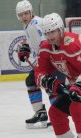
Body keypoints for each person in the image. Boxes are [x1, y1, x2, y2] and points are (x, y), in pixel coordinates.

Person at [16, 0, 57, 129]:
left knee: (50, 86)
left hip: (48, 60)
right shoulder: (30, 24)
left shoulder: (36, 24)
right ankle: (41, 113)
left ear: (31, 12)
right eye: (21, 14)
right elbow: (36, 41)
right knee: (32, 82)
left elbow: (47, 40)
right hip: (43, 59)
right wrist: (26, 47)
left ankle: (57, 115)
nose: (24, 17)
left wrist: (45, 60)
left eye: (26, 13)